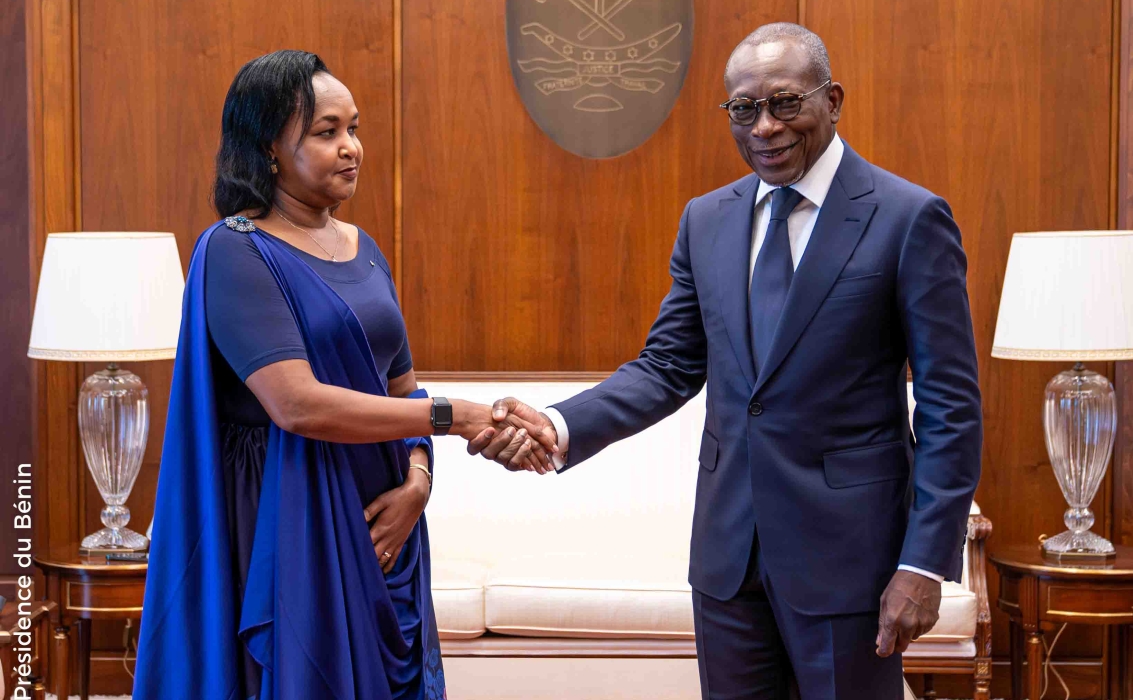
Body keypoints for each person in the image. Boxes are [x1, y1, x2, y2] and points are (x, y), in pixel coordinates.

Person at [477, 23, 983, 699]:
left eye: (785, 104)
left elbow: (951, 407)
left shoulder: (907, 218)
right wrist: (557, 426)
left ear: (832, 100)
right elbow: (667, 367)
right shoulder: (707, 220)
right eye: (744, 110)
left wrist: (923, 563)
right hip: (727, 559)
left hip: (850, 563)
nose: (765, 127)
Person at [134, 50, 554, 700]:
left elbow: (400, 387)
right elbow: (297, 405)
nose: (351, 147)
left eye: (353, 128)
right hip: (293, 518)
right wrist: (458, 417)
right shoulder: (235, 250)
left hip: (389, 531)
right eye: (326, 132)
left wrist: (417, 483)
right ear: (270, 146)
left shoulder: (364, 247)